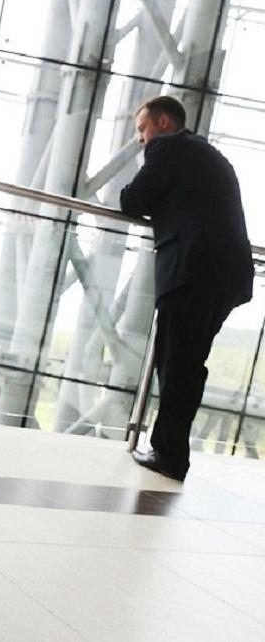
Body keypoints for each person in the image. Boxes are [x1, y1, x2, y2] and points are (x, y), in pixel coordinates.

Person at [120, 95, 253, 482]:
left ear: (163, 123)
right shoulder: (207, 153)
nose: (141, 139)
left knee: (177, 363)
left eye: (142, 129)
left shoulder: (167, 148)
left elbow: (132, 200)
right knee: (188, 363)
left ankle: (170, 455)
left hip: (192, 271)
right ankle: (168, 449)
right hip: (227, 274)